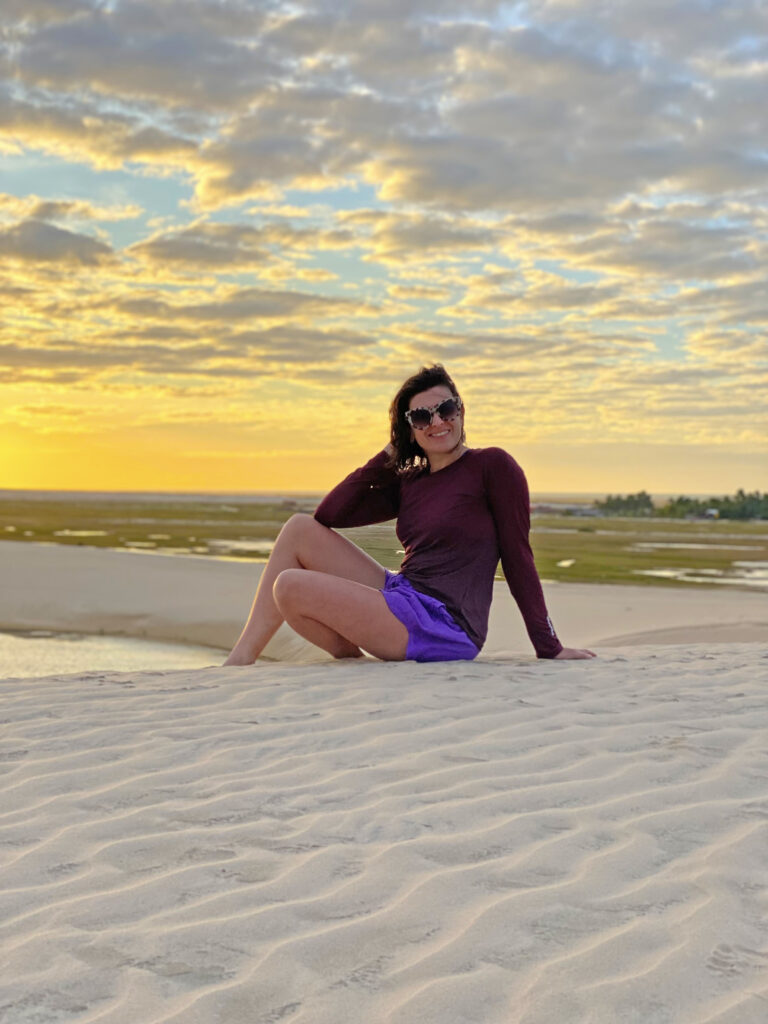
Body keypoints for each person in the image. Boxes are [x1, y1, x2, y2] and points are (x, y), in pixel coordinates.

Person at [224, 364, 596, 665]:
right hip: (403, 594)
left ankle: (356, 655)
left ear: (461, 411)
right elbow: (330, 514)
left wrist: (548, 644)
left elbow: (517, 555)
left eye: (446, 410)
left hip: (445, 625)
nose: (437, 423)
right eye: (421, 417)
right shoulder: (410, 482)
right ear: (410, 427)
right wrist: (390, 454)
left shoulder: (492, 466)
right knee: (298, 529)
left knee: (290, 586)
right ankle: (243, 659)